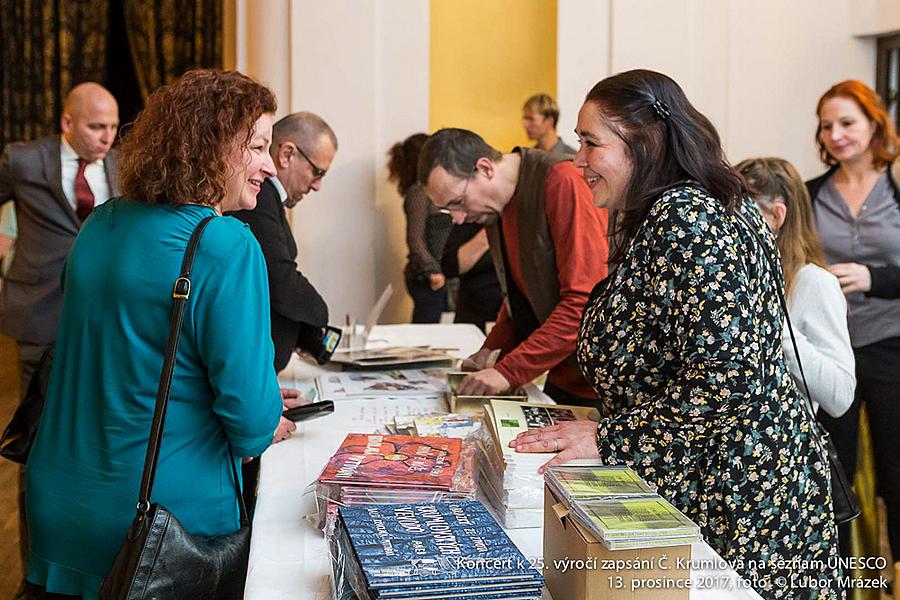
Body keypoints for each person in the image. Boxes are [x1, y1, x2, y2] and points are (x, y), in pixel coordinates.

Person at [510, 70, 841, 598]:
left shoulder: (687, 218)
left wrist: (611, 438)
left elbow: (728, 374)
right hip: (727, 475)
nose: (577, 160)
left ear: (646, 142)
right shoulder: (684, 208)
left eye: (591, 142)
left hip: (735, 495)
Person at [24, 69, 283, 599]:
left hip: (59, 505)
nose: (269, 164)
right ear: (211, 146)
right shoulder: (225, 244)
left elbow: (120, 355)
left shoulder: (102, 222)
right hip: (161, 528)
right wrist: (270, 417)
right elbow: (253, 424)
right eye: (257, 146)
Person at [418, 128, 608, 405]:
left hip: (602, 383)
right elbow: (520, 299)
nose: (458, 219)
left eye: (458, 203)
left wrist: (507, 371)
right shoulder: (498, 207)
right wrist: (494, 348)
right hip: (563, 374)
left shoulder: (561, 180)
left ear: (484, 168)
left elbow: (584, 302)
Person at [806, 79, 900, 563]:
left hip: (890, 342)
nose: (836, 134)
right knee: (831, 466)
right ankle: (841, 575)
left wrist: (874, 277)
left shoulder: (895, 184)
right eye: (827, 126)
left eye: (847, 122)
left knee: (895, 469)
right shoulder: (813, 193)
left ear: (873, 123)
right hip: (829, 346)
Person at [0, 82, 119, 398]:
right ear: (67, 122)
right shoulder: (23, 160)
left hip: (105, 309)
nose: (107, 137)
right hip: (39, 306)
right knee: (34, 416)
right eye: (96, 127)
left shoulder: (122, 165)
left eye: (112, 126)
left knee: (91, 402)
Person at [737, 157, 855, 418]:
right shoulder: (736, 278)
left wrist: (776, 327)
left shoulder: (815, 283)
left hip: (782, 450)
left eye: (739, 214)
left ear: (777, 216)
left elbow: (840, 396)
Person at [230, 111, 336, 372]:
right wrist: (319, 314)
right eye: (317, 172)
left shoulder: (266, 197)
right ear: (287, 154)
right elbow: (278, 277)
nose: (318, 185)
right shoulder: (258, 197)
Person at [388, 133, 452, 323]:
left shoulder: (426, 190)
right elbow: (415, 239)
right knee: (427, 336)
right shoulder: (419, 192)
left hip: (434, 277)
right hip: (427, 278)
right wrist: (433, 272)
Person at [440, 223, 502, 332]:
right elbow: (450, 266)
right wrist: (488, 234)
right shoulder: (471, 220)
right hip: (474, 312)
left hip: (512, 316)